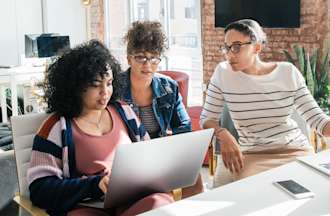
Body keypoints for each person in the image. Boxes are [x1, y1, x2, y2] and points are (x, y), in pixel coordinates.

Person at [27, 40, 175, 216]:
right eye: (96, 85)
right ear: (75, 86)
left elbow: (149, 156)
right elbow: (40, 190)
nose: (105, 92)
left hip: (130, 200)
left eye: (109, 83)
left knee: (162, 203)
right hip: (87, 207)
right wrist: (95, 184)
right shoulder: (56, 127)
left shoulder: (124, 112)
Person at [200, 19, 330, 183]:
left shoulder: (288, 72)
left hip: (296, 150)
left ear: (257, 47)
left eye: (237, 46)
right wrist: (223, 134)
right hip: (252, 154)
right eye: (226, 47)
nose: (229, 54)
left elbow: (319, 121)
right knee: (257, 194)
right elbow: (207, 119)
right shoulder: (223, 73)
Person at [119, 20, 204, 198]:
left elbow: (183, 126)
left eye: (154, 58)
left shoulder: (169, 87)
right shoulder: (115, 88)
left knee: (194, 175)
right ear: (129, 58)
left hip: (160, 152)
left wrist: (176, 153)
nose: (147, 64)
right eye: (141, 57)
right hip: (128, 157)